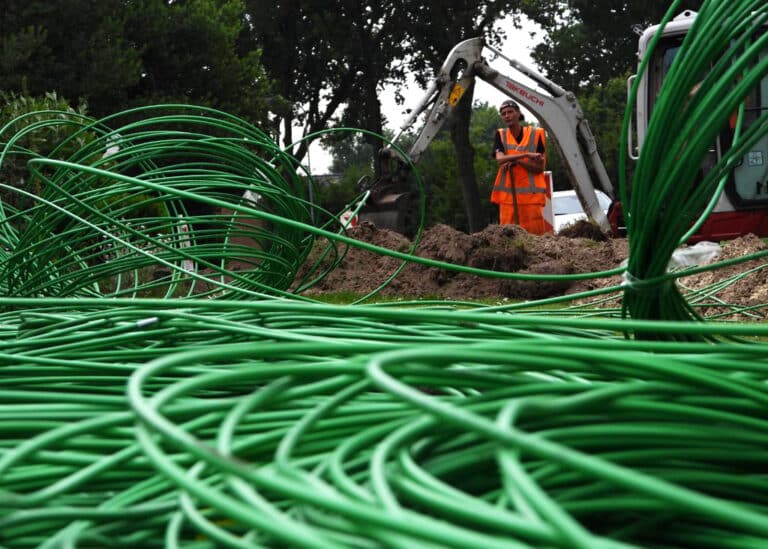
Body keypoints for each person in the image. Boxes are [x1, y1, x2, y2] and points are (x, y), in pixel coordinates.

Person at [490, 99, 549, 234]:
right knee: (508, 241)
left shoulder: (536, 134)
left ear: (518, 113)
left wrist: (516, 161)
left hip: (531, 199)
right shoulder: (501, 135)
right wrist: (525, 155)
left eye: (510, 112)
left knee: (535, 239)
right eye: (503, 113)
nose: (507, 115)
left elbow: (539, 168)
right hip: (508, 200)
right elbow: (500, 160)